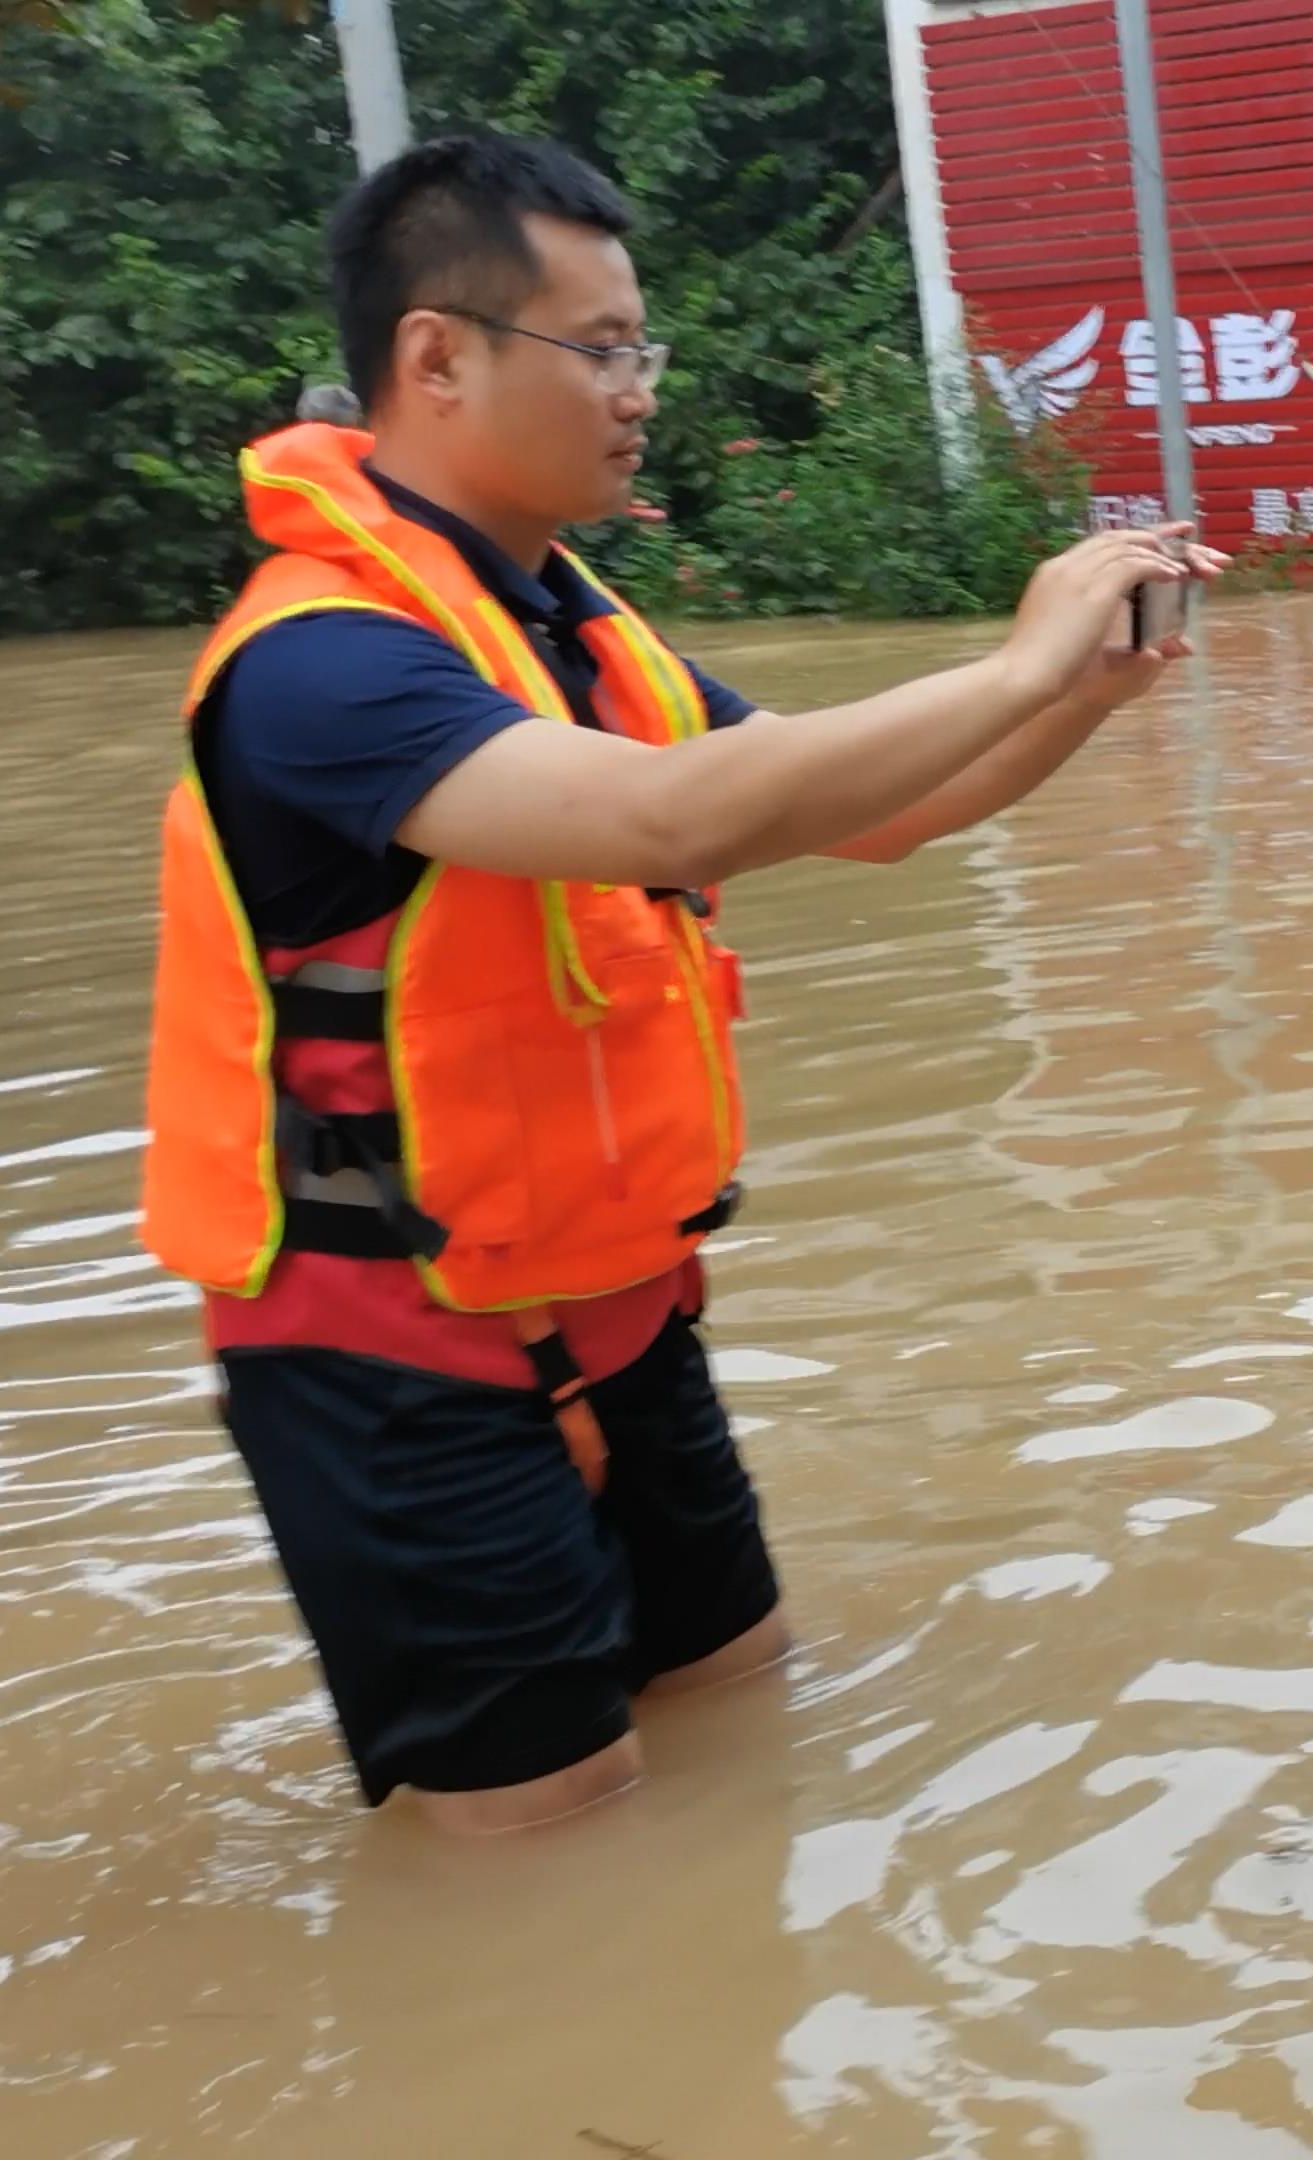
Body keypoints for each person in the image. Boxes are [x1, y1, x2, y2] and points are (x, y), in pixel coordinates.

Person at [139, 133, 1211, 1834]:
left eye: (648, 348)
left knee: (744, 1722)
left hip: (612, 1298)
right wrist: (1010, 649)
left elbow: (880, 814)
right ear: (437, 358)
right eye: (604, 348)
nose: (642, 391)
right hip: (394, 1351)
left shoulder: (573, 629)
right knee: (539, 1848)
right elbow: (663, 813)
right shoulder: (323, 661)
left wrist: (1071, 693)